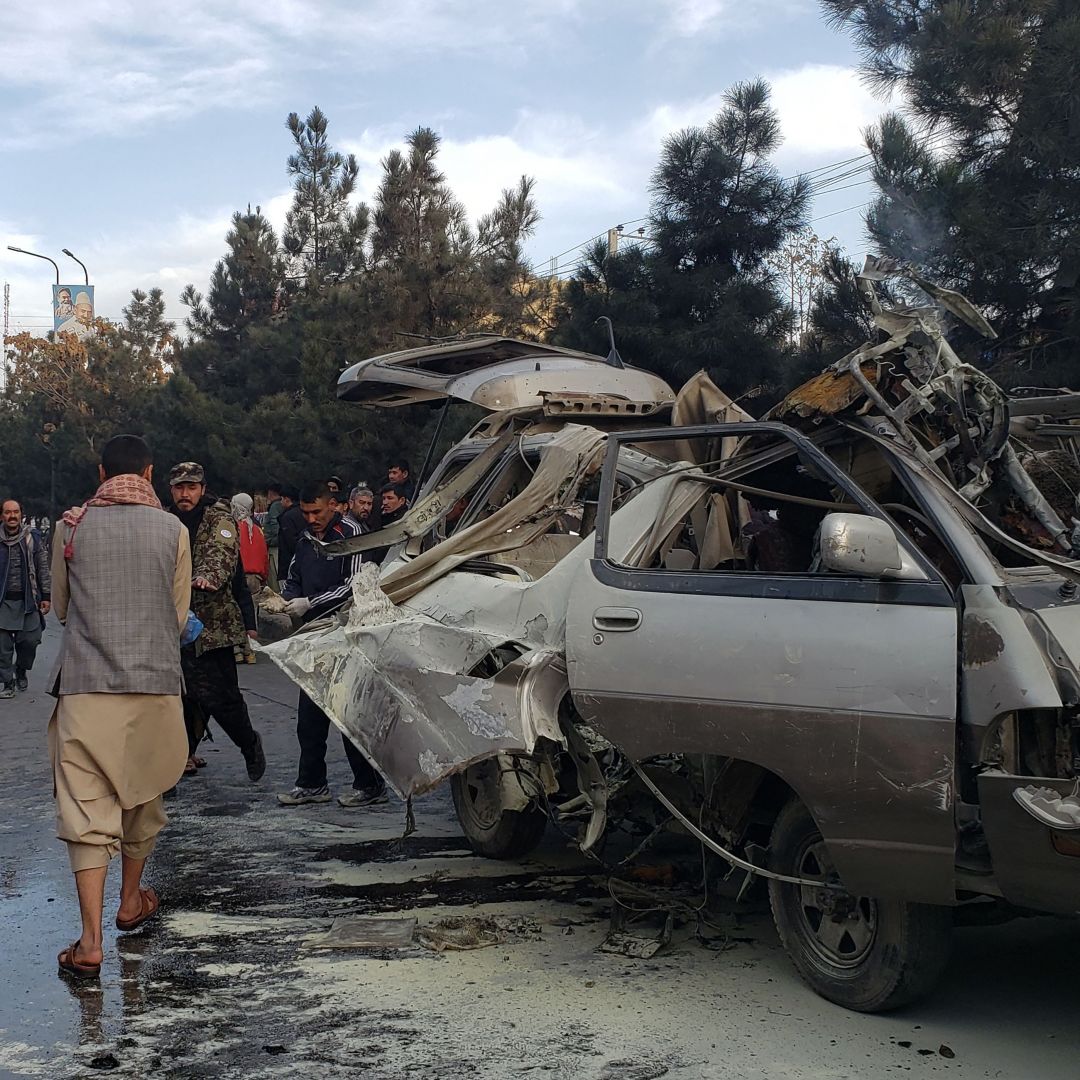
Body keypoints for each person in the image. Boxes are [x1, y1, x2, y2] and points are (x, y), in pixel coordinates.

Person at [49, 434, 191, 980]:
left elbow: (61, 609)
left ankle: (89, 942)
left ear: (102, 470)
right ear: (151, 474)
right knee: (144, 796)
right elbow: (178, 618)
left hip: (87, 687)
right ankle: (131, 902)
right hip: (156, 685)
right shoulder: (174, 530)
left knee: (86, 813)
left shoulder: (72, 525)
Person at [278, 481, 386, 808]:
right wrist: (285, 600)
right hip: (315, 634)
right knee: (309, 714)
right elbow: (294, 575)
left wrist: (309, 601)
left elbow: (354, 587)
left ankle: (370, 785)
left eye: (317, 512)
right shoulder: (305, 540)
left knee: (348, 713)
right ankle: (311, 783)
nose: (311, 518)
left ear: (333, 505)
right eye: (306, 512)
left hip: (349, 633)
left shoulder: (353, 535)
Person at [166, 463, 265, 782]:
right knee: (183, 695)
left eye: (191, 487)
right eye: (180, 488)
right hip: (176, 623)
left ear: (202, 488)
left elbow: (220, 555)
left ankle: (249, 743)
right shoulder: (165, 519)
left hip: (214, 627)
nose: (185, 494)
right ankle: (177, 759)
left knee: (221, 698)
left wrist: (206, 577)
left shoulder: (219, 517)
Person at [0, 499, 51, 696]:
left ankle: (21, 669)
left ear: (21, 514)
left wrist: (45, 595)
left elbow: (42, 568)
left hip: (28, 601)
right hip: (2, 603)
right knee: (2, 648)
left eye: (15, 512)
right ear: (1, 516)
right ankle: (7, 683)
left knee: (30, 641)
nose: (12, 516)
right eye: (7, 512)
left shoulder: (32, 538)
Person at [231, 493, 268, 664]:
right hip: (256, 577)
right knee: (251, 613)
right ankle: (250, 650)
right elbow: (264, 556)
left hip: (237, 576)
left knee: (236, 613)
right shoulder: (257, 529)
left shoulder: (233, 528)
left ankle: (237, 650)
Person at [277, 485, 305, 580]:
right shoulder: (304, 512)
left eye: (281, 499)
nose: (280, 502)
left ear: (287, 499)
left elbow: (290, 542)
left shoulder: (287, 517)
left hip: (289, 565)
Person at [263, 482, 284, 590]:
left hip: (274, 548)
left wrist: (269, 540)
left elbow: (275, 526)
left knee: (274, 580)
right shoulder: (281, 504)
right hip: (278, 545)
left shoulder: (275, 506)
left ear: (271, 493)